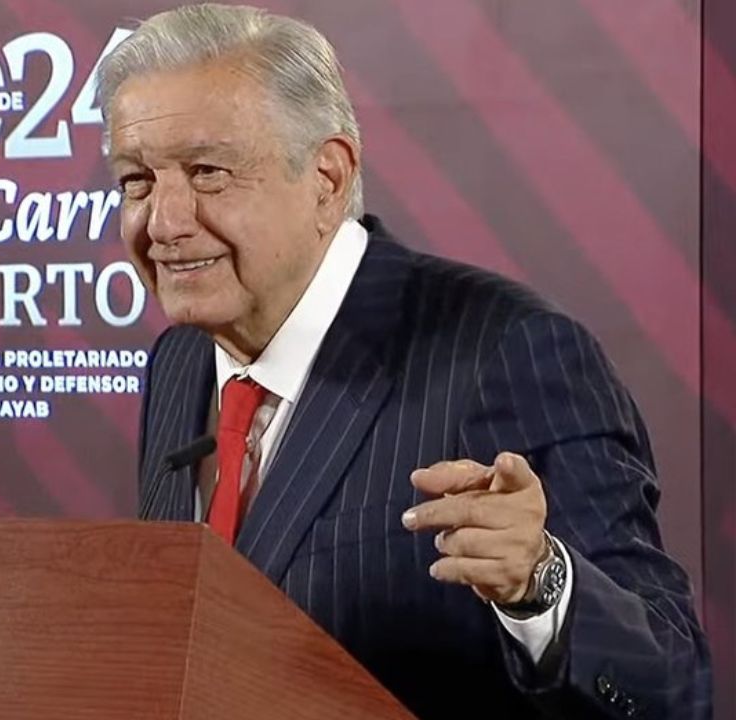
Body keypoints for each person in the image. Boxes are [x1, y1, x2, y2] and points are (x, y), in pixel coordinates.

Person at [99, 4, 710, 717]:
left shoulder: (508, 351)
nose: (164, 222)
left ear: (327, 177)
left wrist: (540, 584)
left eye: (207, 172)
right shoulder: (179, 362)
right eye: (136, 181)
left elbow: (673, 688)